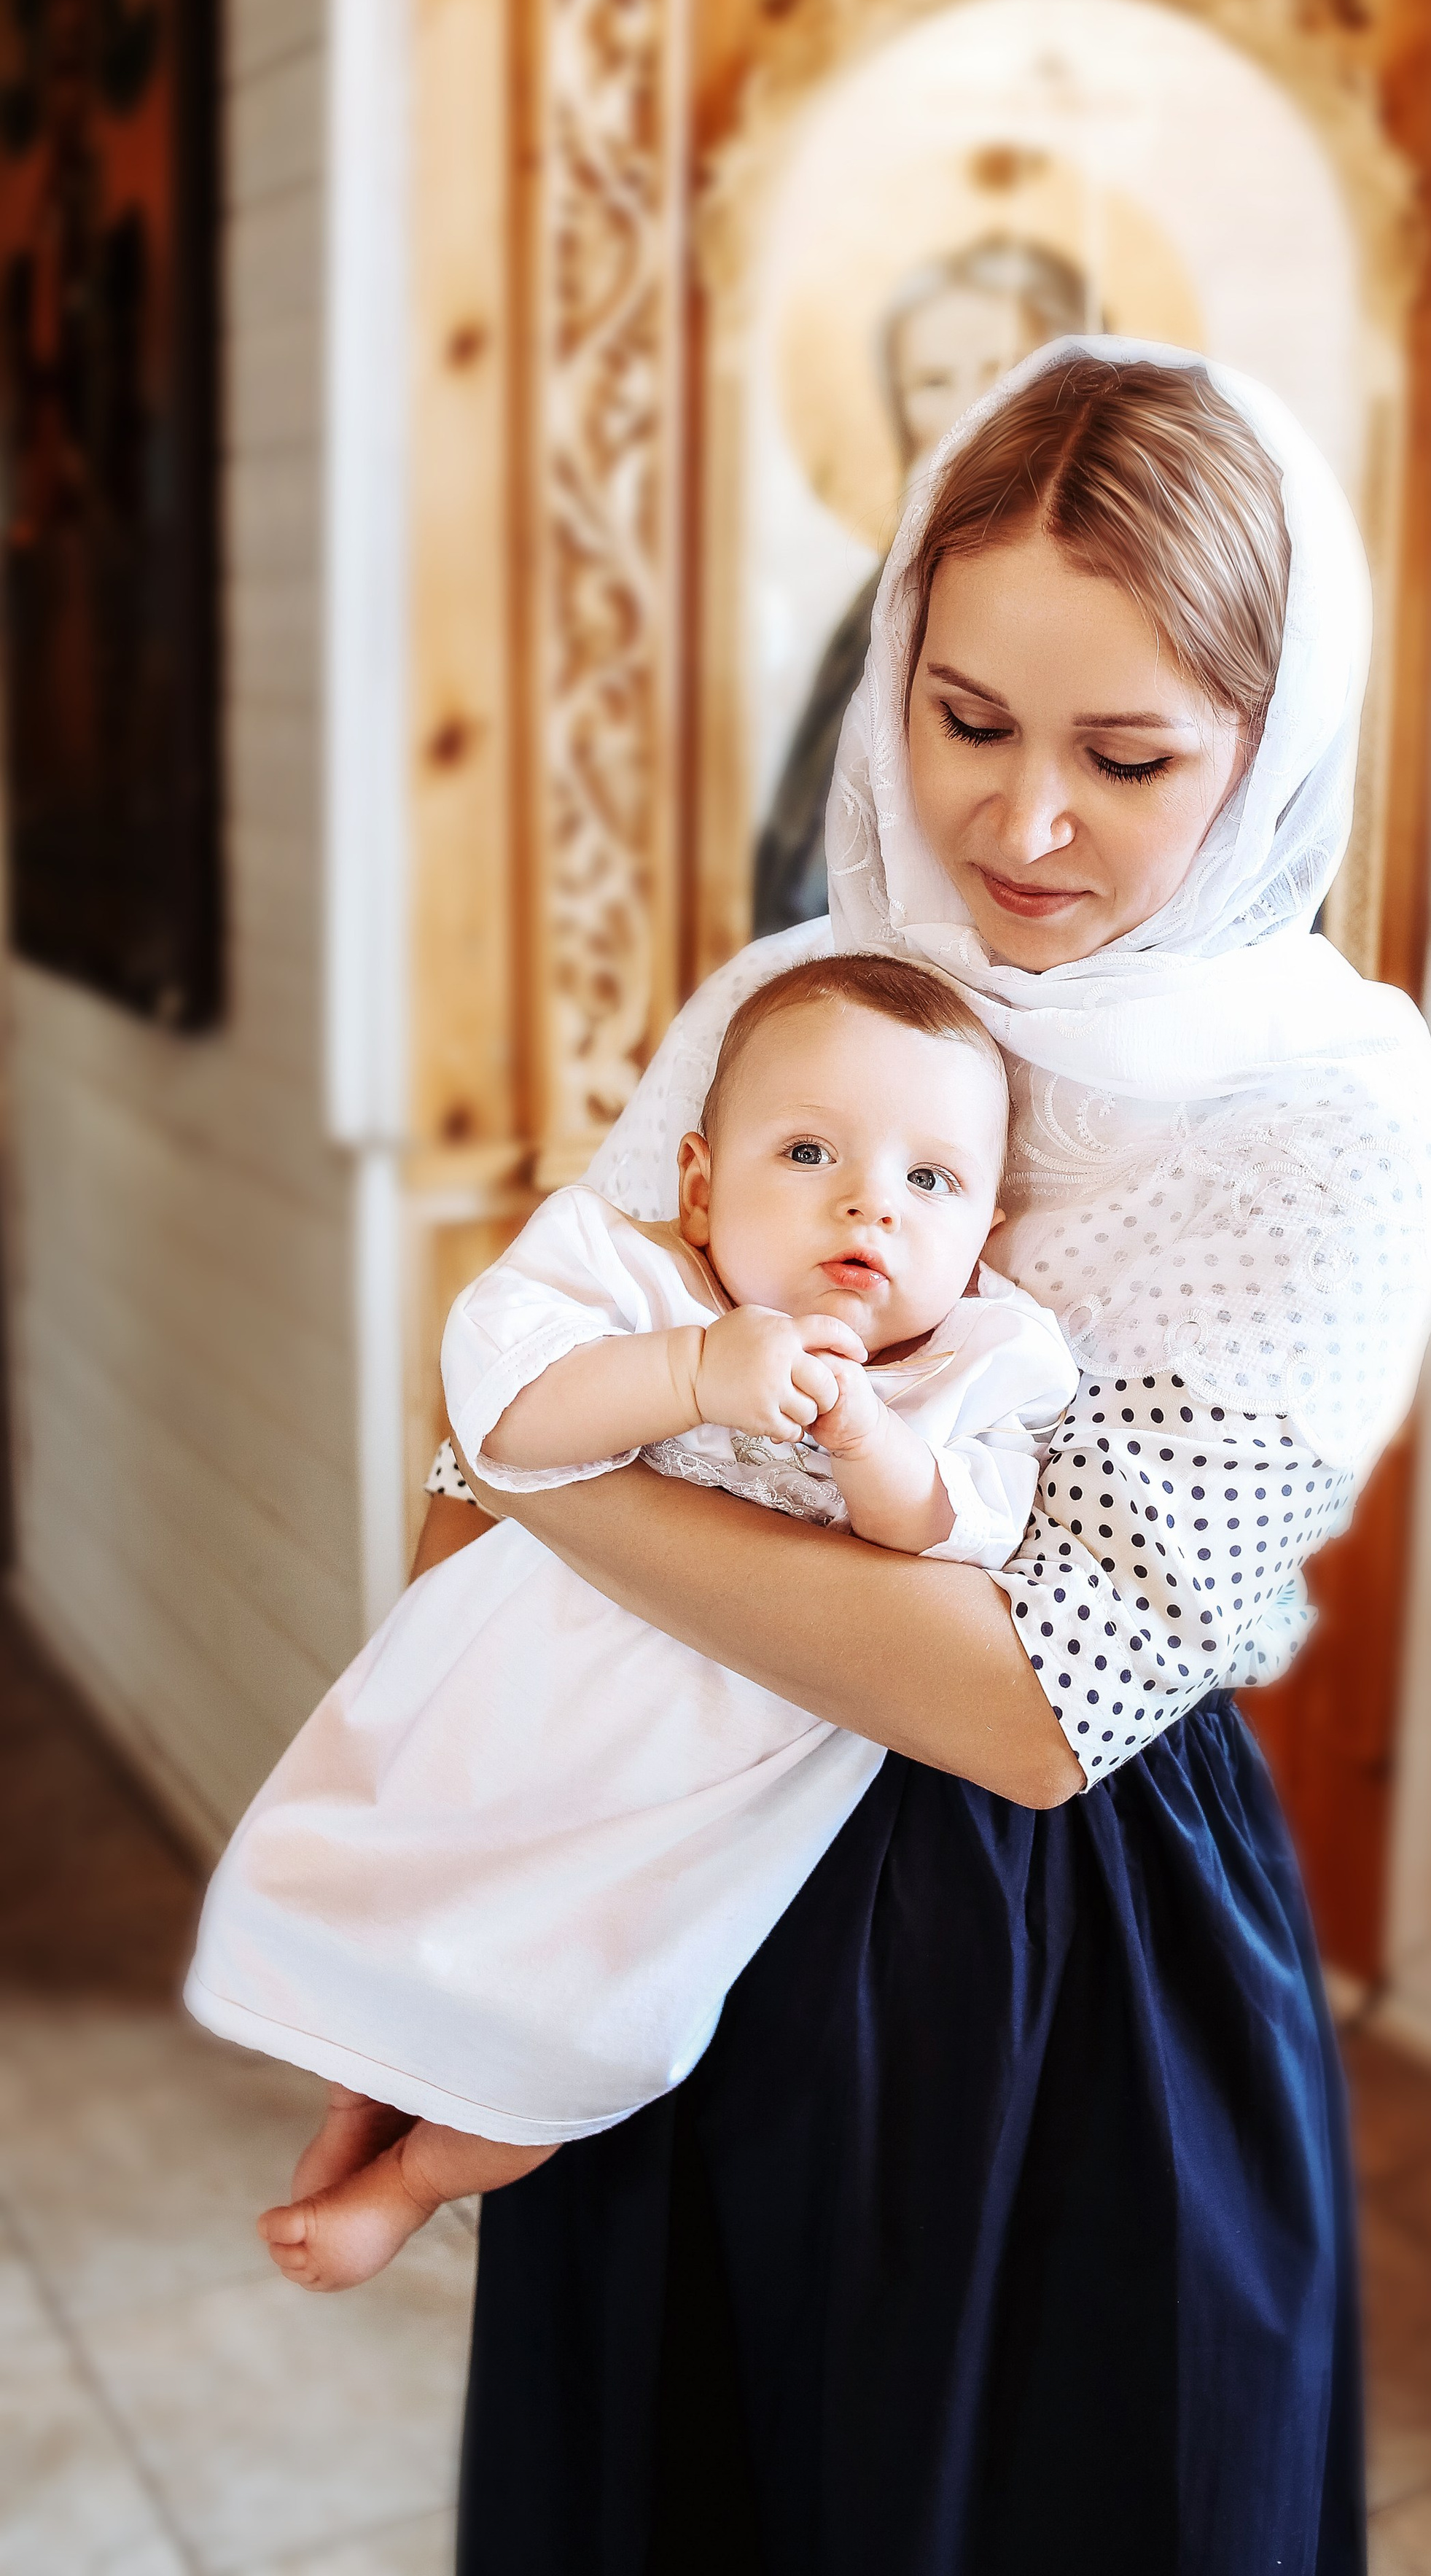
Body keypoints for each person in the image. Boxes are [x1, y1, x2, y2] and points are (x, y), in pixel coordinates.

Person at [447, 343, 1431, 2573]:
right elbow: (528, 1394)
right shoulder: (804, 988)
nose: (1018, 825)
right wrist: (431, 1922)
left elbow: (1026, 1703)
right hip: (664, 1870)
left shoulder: (1337, 1113)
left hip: (1056, 1966)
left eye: (1128, 756)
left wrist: (556, 1460)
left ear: (1270, 742)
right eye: (962, 717)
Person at [185, 959, 1078, 2292]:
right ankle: (352, 2114)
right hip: (519, 1688)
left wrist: (870, 1442)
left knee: (583, 2022)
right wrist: (691, 1372)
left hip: (705, 1787)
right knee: (400, 1900)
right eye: (811, 1152)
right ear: (704, 1184)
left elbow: (958, 1529)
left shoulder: (978, 1371)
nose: (868, 1205)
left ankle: (417, 2182)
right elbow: (500, 1417)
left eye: (930, 1184)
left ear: (986, 1232)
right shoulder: (630, 1275)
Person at [752, 233, 1088, 936]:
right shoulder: (877, 609)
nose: (972, 409)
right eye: (934, 383)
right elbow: (803, 862)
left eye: (1000, 370)